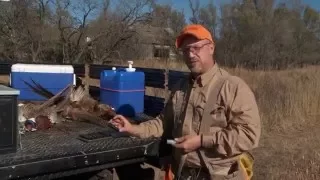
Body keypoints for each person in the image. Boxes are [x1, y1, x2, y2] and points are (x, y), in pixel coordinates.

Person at [110, 24, 261, 180]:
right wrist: (132, 128)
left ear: (211, 48)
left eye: (196, 48)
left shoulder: (233, 87)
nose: (190, 54)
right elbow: (162, 123)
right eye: (185, 50)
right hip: (183, 174)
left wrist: (202, 141)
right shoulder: (180, 88)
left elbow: (248, 135)